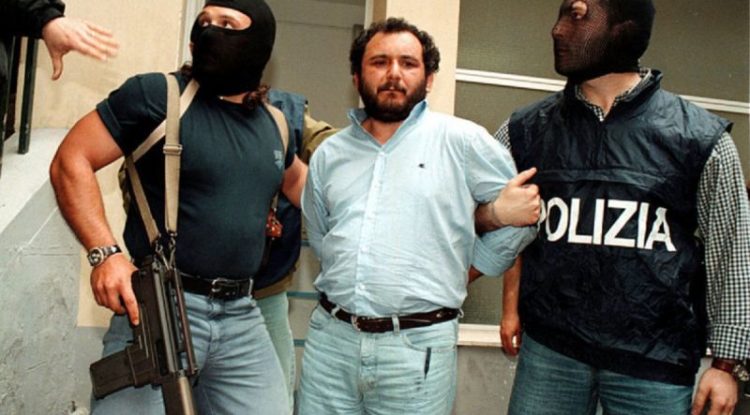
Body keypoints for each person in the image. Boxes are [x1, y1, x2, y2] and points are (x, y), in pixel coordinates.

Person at [478, 1, 750, 414]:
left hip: (653, 365)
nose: (558, 30)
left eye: (578, 15)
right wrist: (489, 217)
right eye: (561, 14)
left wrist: (727, 365)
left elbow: (732, 253)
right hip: (552, 354)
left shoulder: (700, 139)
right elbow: (472, 221)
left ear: (625, 28)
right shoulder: (524, 131)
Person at [49, 0, 304, 413]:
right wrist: (105, 254)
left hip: (243, 316)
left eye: (227, 23)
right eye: (204, 22)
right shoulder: (158, 96)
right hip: (159, 311)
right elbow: (71, 159)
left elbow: (298, 182)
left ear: (259, 42)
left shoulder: (274, 125)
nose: (210, 31)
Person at [297, 17, 539, 415]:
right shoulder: (329, 154)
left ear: (428, 79)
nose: (394, 73)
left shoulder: (463, 141)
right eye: (379, 62)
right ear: (356, 77)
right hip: (331, 345)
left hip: (417, 349)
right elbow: (323, 238)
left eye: (408, 63)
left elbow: (523, 214)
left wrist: (470, 267)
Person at [256, 89, 335, 412]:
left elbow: (337, 149)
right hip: (181, 296)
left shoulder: (285, 115)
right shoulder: (173, 106)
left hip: (265, 293)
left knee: (273, 401)